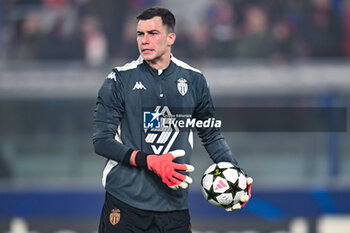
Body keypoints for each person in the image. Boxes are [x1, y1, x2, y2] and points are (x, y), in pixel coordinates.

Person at [93, 6, 252, 233]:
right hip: (124, 204)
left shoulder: (194, 79)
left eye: (153, 33)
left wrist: (236, 175)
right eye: (140, 34)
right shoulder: (118, 79)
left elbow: (210, 134)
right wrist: (150, 161)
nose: (145, 41)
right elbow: (102, 141)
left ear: (170, 38)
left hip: (173, 207)